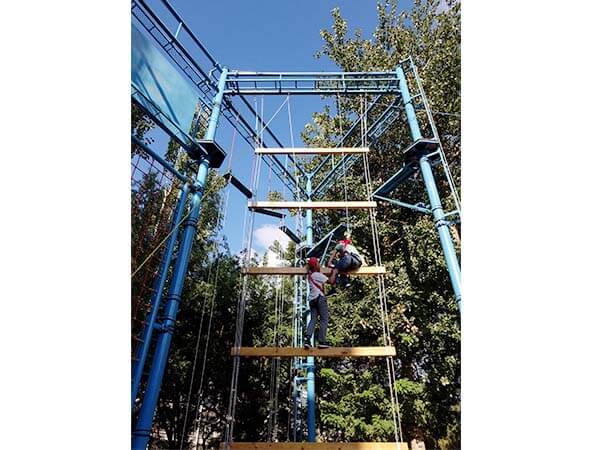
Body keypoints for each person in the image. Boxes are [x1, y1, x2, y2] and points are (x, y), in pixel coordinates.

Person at [304, 257, 332, 349]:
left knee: (313, 319)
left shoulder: (310, 275)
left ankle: (307, 340)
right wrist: (335, 272)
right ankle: (321, 341)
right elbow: (331, 281)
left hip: (312, 300)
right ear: (316, 265)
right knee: (324, 319)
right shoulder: (317, 275)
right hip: (319, 298)